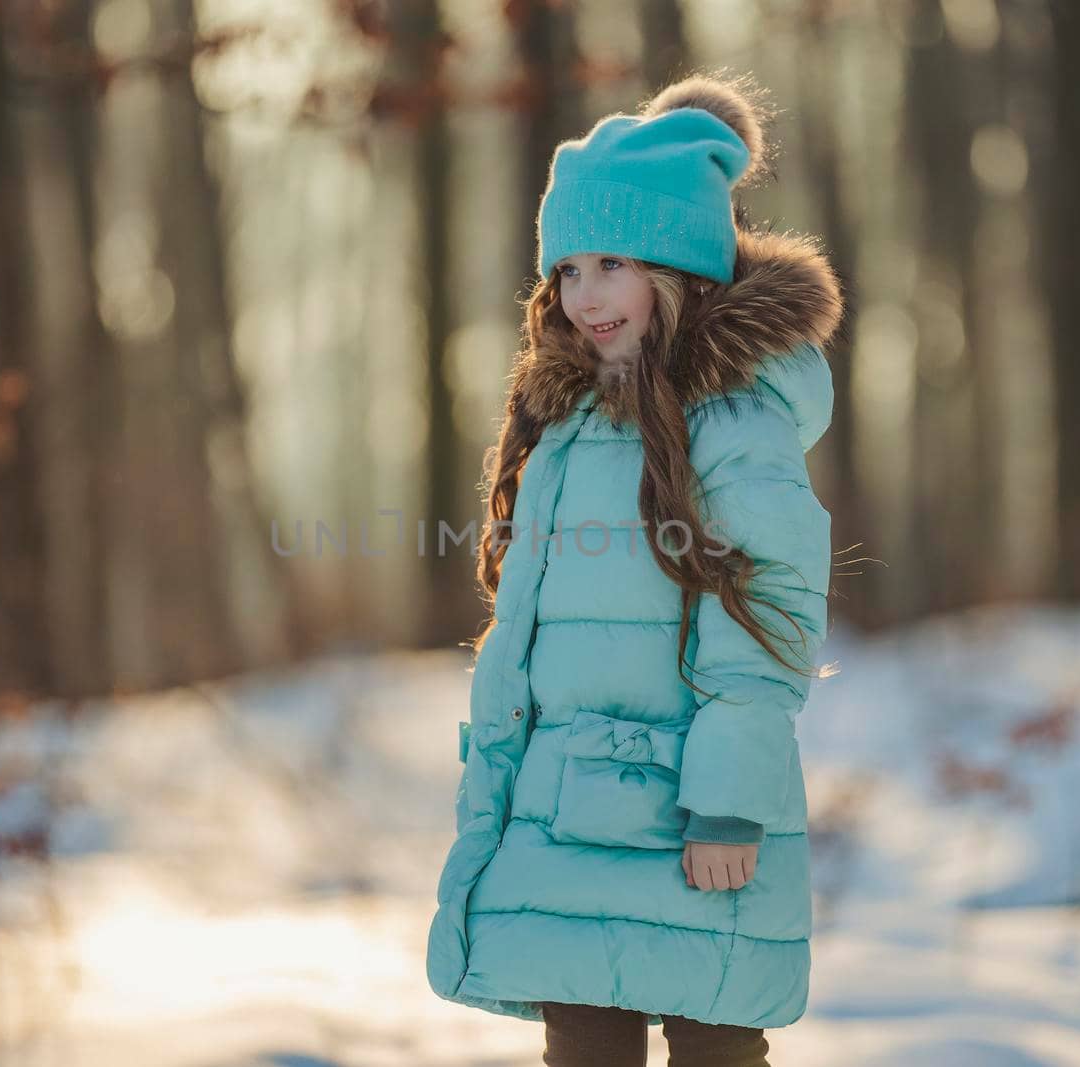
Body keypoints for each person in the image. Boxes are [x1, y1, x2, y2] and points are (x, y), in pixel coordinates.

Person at [425, 70, 845, 1067]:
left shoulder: (738, 423)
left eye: (611, 262)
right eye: (567, 269)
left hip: (693, 812)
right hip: (568, 808)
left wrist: (728, 800)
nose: (584, 294)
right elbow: (530, 629)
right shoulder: (566, 426)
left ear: (681, 267)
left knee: (710, 1033)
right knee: (583, 1034)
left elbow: (768, 613)